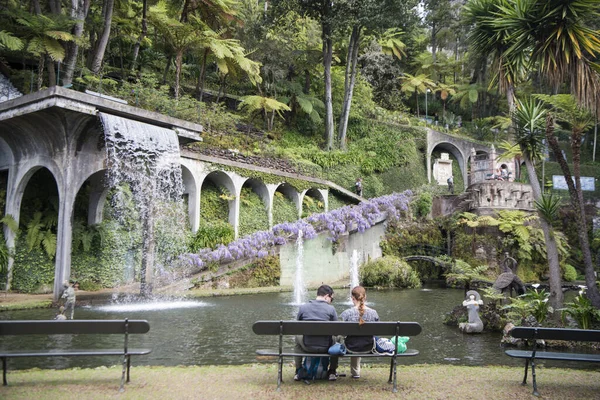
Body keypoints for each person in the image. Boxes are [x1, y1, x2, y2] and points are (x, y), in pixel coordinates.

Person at [295, 284, 339, 381]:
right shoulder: (331, 309)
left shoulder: (303, 307)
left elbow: (297, 327)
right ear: (327, 296)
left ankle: (298, 370)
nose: (331, 302)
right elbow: (336, 331)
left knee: (297, 338)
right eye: (331, 299)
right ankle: (332, 371)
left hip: (307, 345)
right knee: (337, 339)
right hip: (326, 347)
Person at [340, 286, 380, 379]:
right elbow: (376, 332)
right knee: (361, 339)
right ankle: (356, 372)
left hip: (350, 347)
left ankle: (353, 372)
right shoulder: (374, 313)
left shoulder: (346, 313)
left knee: (353, 340)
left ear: (352, 298)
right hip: (369, 346)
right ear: (365, 297)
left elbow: (341, 332)